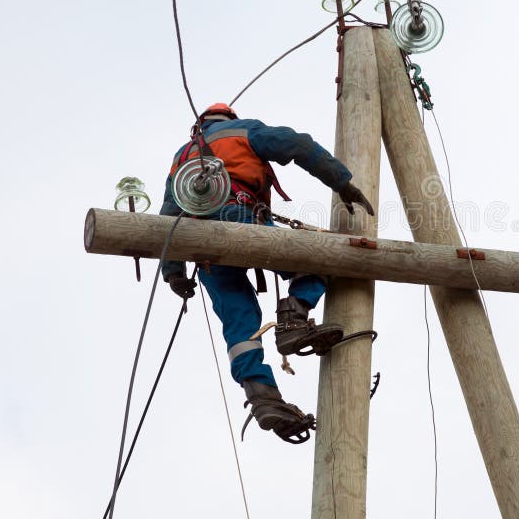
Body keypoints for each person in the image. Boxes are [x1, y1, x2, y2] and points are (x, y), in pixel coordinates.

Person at [159, 103, 373, 443]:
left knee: (240, 324)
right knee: (319, 259)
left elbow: (167, 216)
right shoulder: (243, 130)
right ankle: (293, 322)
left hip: (201, 248)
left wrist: (173, 272)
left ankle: (263, 399)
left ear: (198, 127)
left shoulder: (182, 158)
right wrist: (342, 182)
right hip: (240, 218)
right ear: (229, 118)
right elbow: (297, 144)